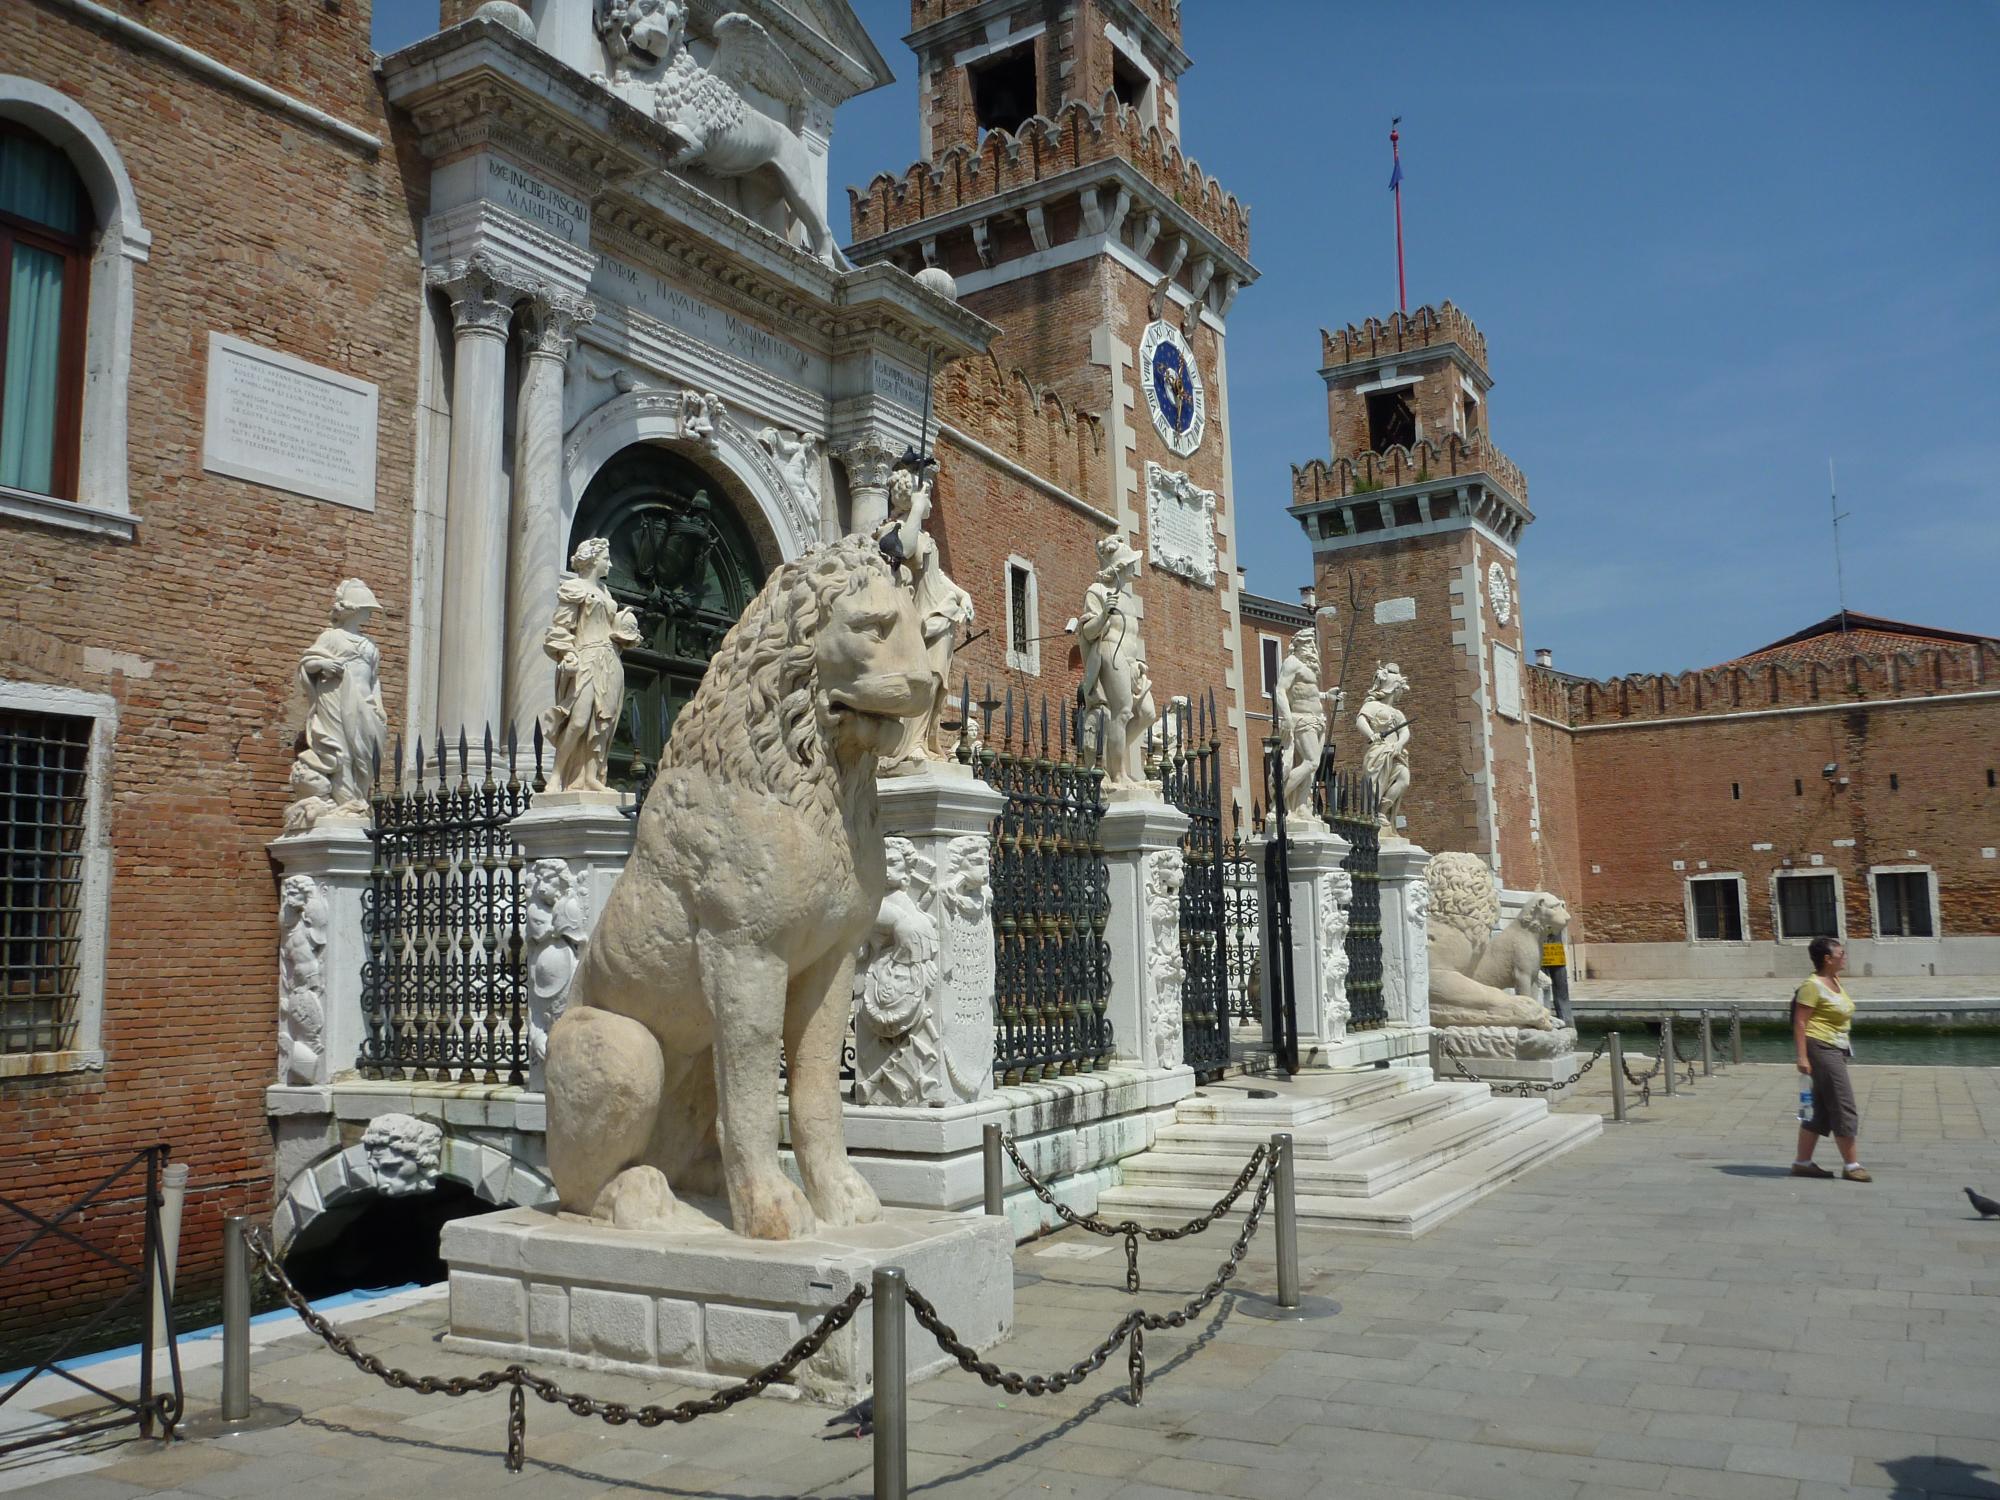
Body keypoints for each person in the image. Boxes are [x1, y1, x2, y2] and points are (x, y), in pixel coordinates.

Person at [1791, 935, 1869, 1182]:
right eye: (1840, 954)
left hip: (1836, 1047)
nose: (1844, 958)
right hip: (1820, 1047)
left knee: (1821, 1107)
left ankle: (1802, 1163)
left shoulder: (1834, 980)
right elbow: (1800, 1022)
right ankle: (1852, 1164)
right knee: (1843, 1103)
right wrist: (1802, 1056)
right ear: (1827, 959)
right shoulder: (1813, 985)